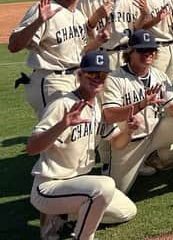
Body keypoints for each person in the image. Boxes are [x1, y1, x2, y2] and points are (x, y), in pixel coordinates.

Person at [27, 51, 137, 240]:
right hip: (49, 188)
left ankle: (66, 216)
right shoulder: (63, 105)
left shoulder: (96, 109)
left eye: (101, 75)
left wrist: (128, 130)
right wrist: (63, 124)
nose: (97, 79)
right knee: (105, 186)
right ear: (79, 75)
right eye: (91, 74)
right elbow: (31, 148)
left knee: (127, 211)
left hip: (77, 185)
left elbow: (118, 143)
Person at [101, 30, 173, 194]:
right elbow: (109, 114)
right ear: (130, 52)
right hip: (128, 142)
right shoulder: (115, 78)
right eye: (142, 50)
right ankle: (139, 163)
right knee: (114, 194)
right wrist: (141, 104)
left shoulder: (159, 75)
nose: (148, 53)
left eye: (151, 49)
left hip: (156, 133)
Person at [9, 0, 107, 118]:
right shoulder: (44, 9)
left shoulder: (79, 15)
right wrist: (39, 21)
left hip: (75, 78)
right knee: (54, 134)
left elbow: (78, 53)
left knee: (72, 132)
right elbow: (14, 46)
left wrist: (97, 42)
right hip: (51, 80)